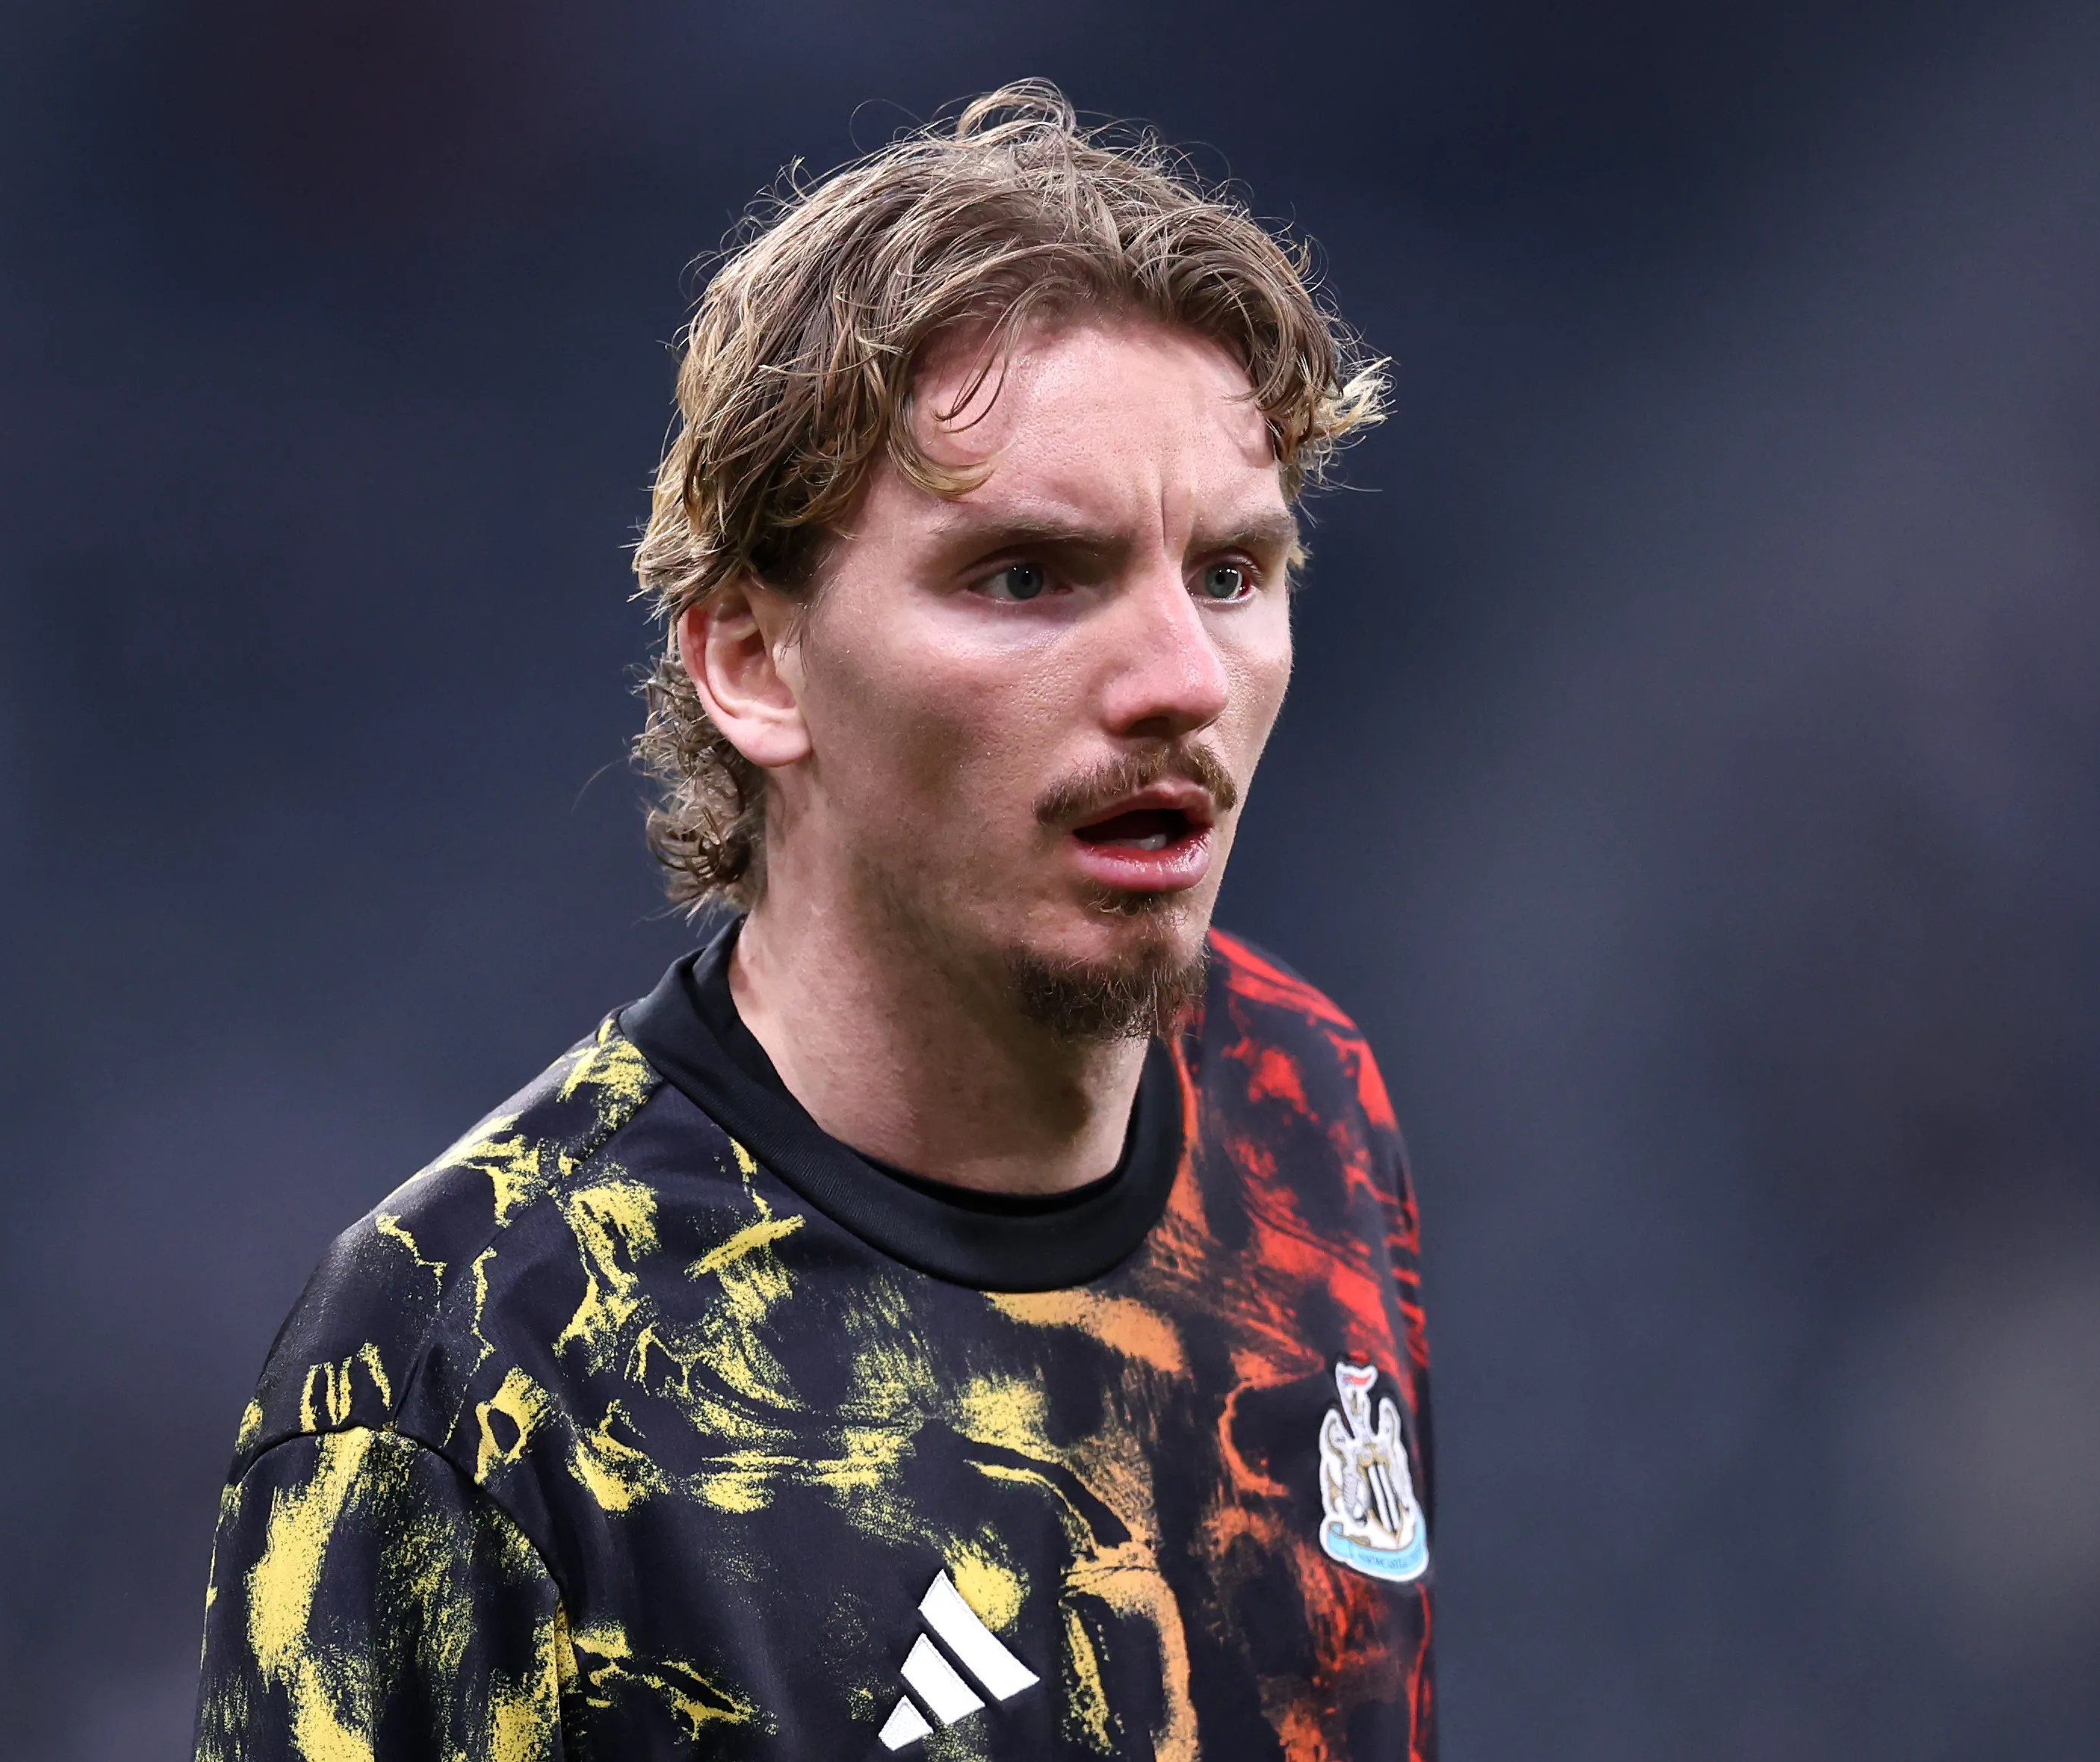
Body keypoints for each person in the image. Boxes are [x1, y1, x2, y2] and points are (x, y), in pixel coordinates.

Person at [192, 82, 1431, 1761]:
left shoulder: (1305, 1114)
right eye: (1026, 575)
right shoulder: (461, 1379)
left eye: (1229, 571)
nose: (1180, 681)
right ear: (753, 660)